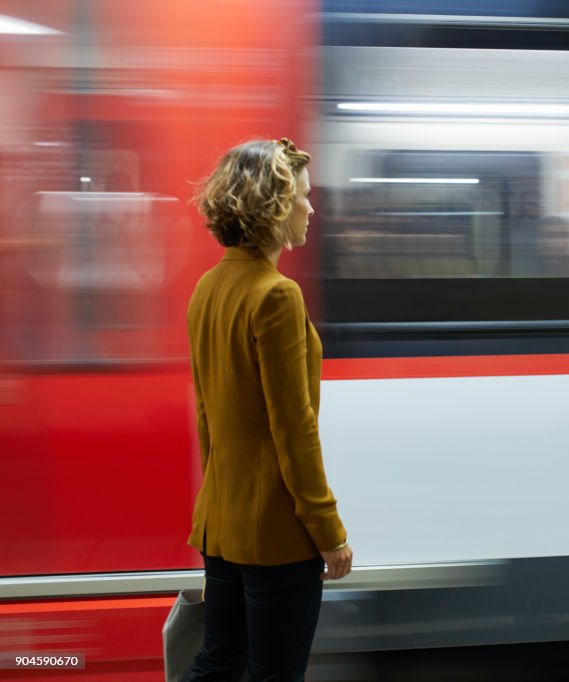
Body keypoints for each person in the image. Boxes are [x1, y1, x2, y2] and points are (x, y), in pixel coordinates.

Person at [184, 138, 352, 681]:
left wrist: (221, 502)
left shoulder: (208, 288)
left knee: (219, 661)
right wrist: (328, 530)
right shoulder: (277, 295)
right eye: (302, 196)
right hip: (277, 532)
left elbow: (206, 414)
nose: (311, 207)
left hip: (221, 521)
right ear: (274, 208)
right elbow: (294, 428)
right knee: (273, 674)